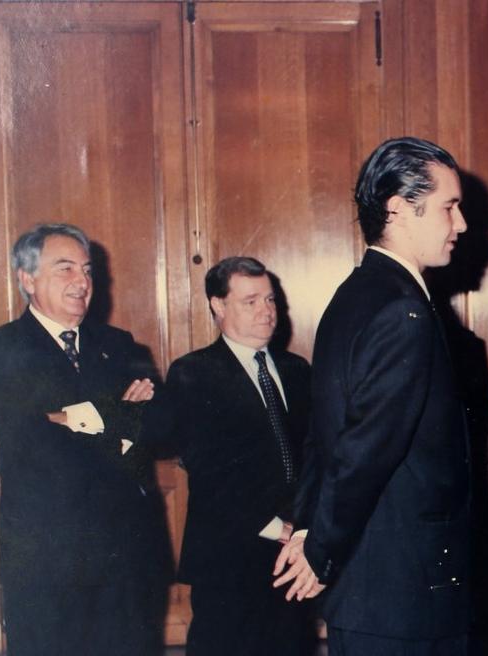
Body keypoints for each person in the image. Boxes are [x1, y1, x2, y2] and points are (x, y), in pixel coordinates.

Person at [273, 137, 472, 655]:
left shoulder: (354, 294)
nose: (462, 224)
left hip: (374, 585)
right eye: (450, 207)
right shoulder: (403, 311)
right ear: (399, 209)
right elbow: (365, 450)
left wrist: (311, 529)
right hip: (403, 590)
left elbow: (328, 433)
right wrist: (319, 548)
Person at [0, 223, 171, 656]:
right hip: (48, 562)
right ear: (27, 279)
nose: (82, 282)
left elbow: (165, 426)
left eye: (87, 270)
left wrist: (68, 417)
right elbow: (29, 440)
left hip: (124, 558)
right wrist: (118, 416)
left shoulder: (119, 345)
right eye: (65, 269)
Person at [164, 256, 315, 655]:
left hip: (293, 552)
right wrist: (273, 526)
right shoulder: (193, 373)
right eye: (251, 301)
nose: (267, 311)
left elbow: (315, 455)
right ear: (218, 305)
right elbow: (207, 469)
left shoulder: (297, 369)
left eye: (270, 300)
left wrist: (301, 527)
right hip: (229, 555)